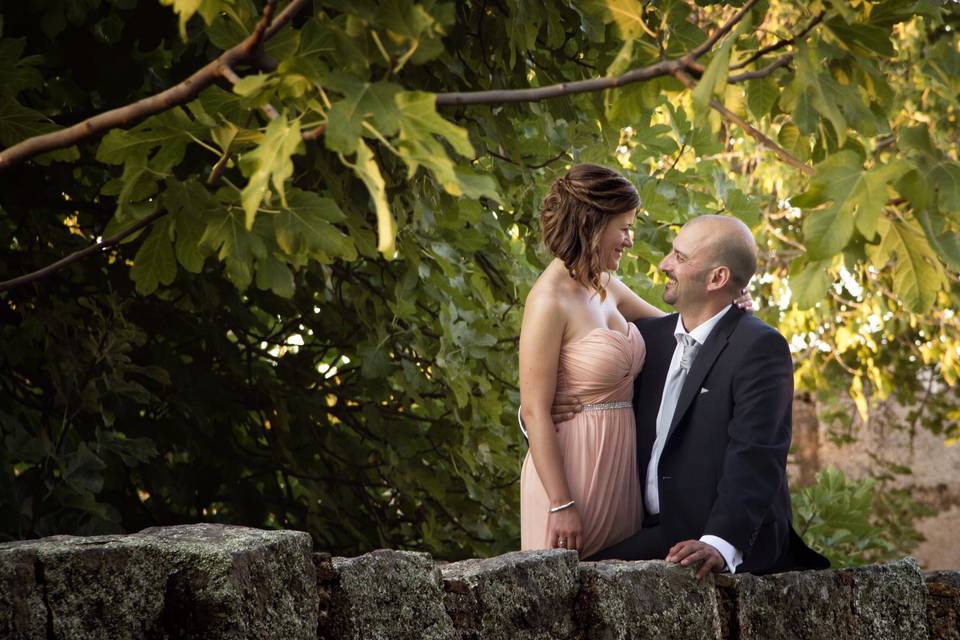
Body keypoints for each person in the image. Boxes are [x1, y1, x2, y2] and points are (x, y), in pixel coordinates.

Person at [553, 214, 829, 575]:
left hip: (716, 535)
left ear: (718, 278)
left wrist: (719, 541)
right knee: (566, 574)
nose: (665, 264)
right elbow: (598, 395)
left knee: (579, 579)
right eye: (672, 252)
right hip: (642, 526)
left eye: (680, 258)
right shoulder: (647, 338)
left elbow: (758, 452)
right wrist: (554, 407)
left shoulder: (760, 347)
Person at [518, 165, 752, 558]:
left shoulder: (605, 286)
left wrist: (729, 304)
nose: (630, 240)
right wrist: (562, 504)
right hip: (573, 472)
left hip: (621, 470)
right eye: (623, 227)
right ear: (592, 224)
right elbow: (535, 411)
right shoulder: (548, 300)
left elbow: (684, 331)